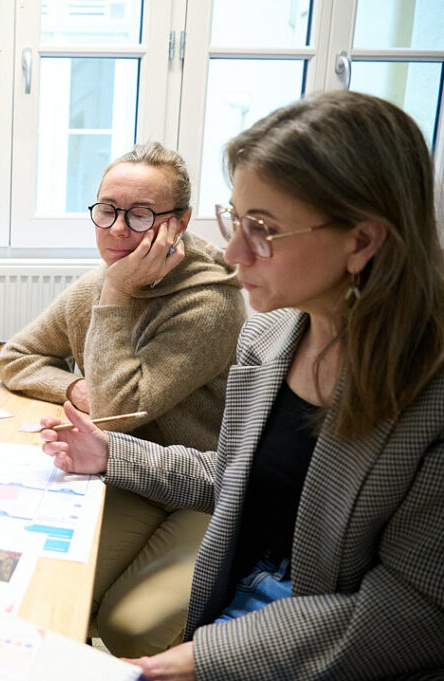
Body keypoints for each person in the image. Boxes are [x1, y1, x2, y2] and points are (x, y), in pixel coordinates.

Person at [42, 91, 444, 680]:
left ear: (362, 241)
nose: (232, 253)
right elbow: (235, 479)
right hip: (245, 607)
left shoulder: (428, 396)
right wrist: (111, 452)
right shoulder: (274, 339)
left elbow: (414, 613)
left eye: (263, 229)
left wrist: (205, 658)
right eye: (235, 219)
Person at [0, 142, 246, 655]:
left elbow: (112, 413)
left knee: (130, 625)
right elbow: (15, 357)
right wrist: (69, 386)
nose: (117, 228)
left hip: (196, 484)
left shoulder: (209, 301)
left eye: (139, 214)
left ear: (178, 222)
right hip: (124, 471)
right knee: (45, 582)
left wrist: (115, 295)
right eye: (107, 209)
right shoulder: (104, 281)